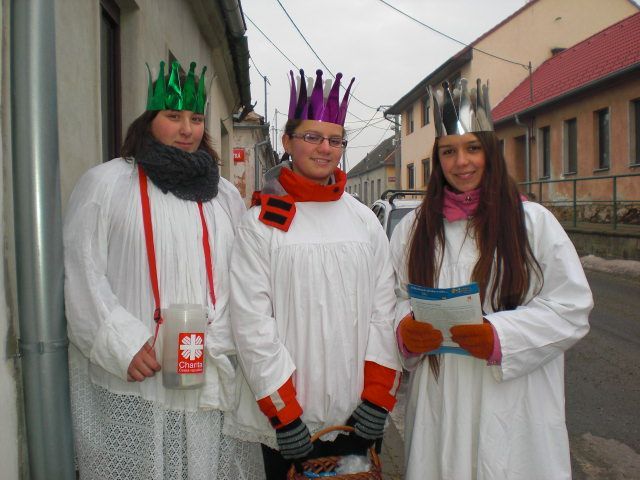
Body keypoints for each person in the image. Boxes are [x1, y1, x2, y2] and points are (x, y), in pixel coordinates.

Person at [64, 60, 264, 479]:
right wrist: (122, 343)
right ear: (149, 120)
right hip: (138, 377)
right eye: (173, 117)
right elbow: (82, 270)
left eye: (195, 119)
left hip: (207, 372)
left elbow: (243, 276)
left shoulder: (225, 195)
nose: (187, 129)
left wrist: (221, 337)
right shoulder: (106, 184)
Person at [390, 79, 593, 480]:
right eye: (449, 152)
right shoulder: (414, 229)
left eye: (472, 148)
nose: (461, 162)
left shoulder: (532, 223)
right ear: (438, 160)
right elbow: (394, 296)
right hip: (441, 398)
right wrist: (404, 330)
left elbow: (572, 308)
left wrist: (502, 336)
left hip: (515, 403)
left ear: (490, 152)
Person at [224, 69, 403, 479]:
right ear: (287, 141)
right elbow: (252, 323)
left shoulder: (364, 222)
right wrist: (284, 412)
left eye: (335, 139)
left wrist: (377, 400)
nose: (325, 148)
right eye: (312, 137)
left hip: (357, 418)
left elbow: (383, 312)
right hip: (288, 425)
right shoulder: (260, 224)